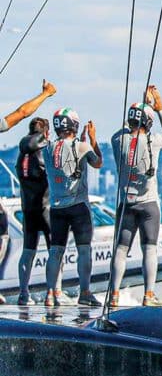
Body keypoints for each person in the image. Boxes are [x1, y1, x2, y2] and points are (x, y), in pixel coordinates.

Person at [108, 86, 162, 306]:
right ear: (149, 122)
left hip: (126, 204)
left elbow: (128, 129)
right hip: (148, 204)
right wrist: (159, 108)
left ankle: (114, 294)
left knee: (121, 250)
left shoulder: (117, 140)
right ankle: (148, 294)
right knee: (150, 249)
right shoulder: (153, 141)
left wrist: (139, 107)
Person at [42, 108, 103, 307]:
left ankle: (50, 294)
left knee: (55, 252)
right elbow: (98, 163)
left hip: (56, 208)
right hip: (78, 207)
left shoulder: (48, 148)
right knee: (84, 250)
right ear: (74, 125)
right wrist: (92, 139)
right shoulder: (83, 146)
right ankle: (84, 292)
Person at [15, 116, 52, 304]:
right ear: (45, 133)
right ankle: (52, 293)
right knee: (55, 252)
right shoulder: (45, 152)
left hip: (28, 210)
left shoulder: (22, 155)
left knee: (28, 252)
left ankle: (23, 293)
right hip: (45, 209)